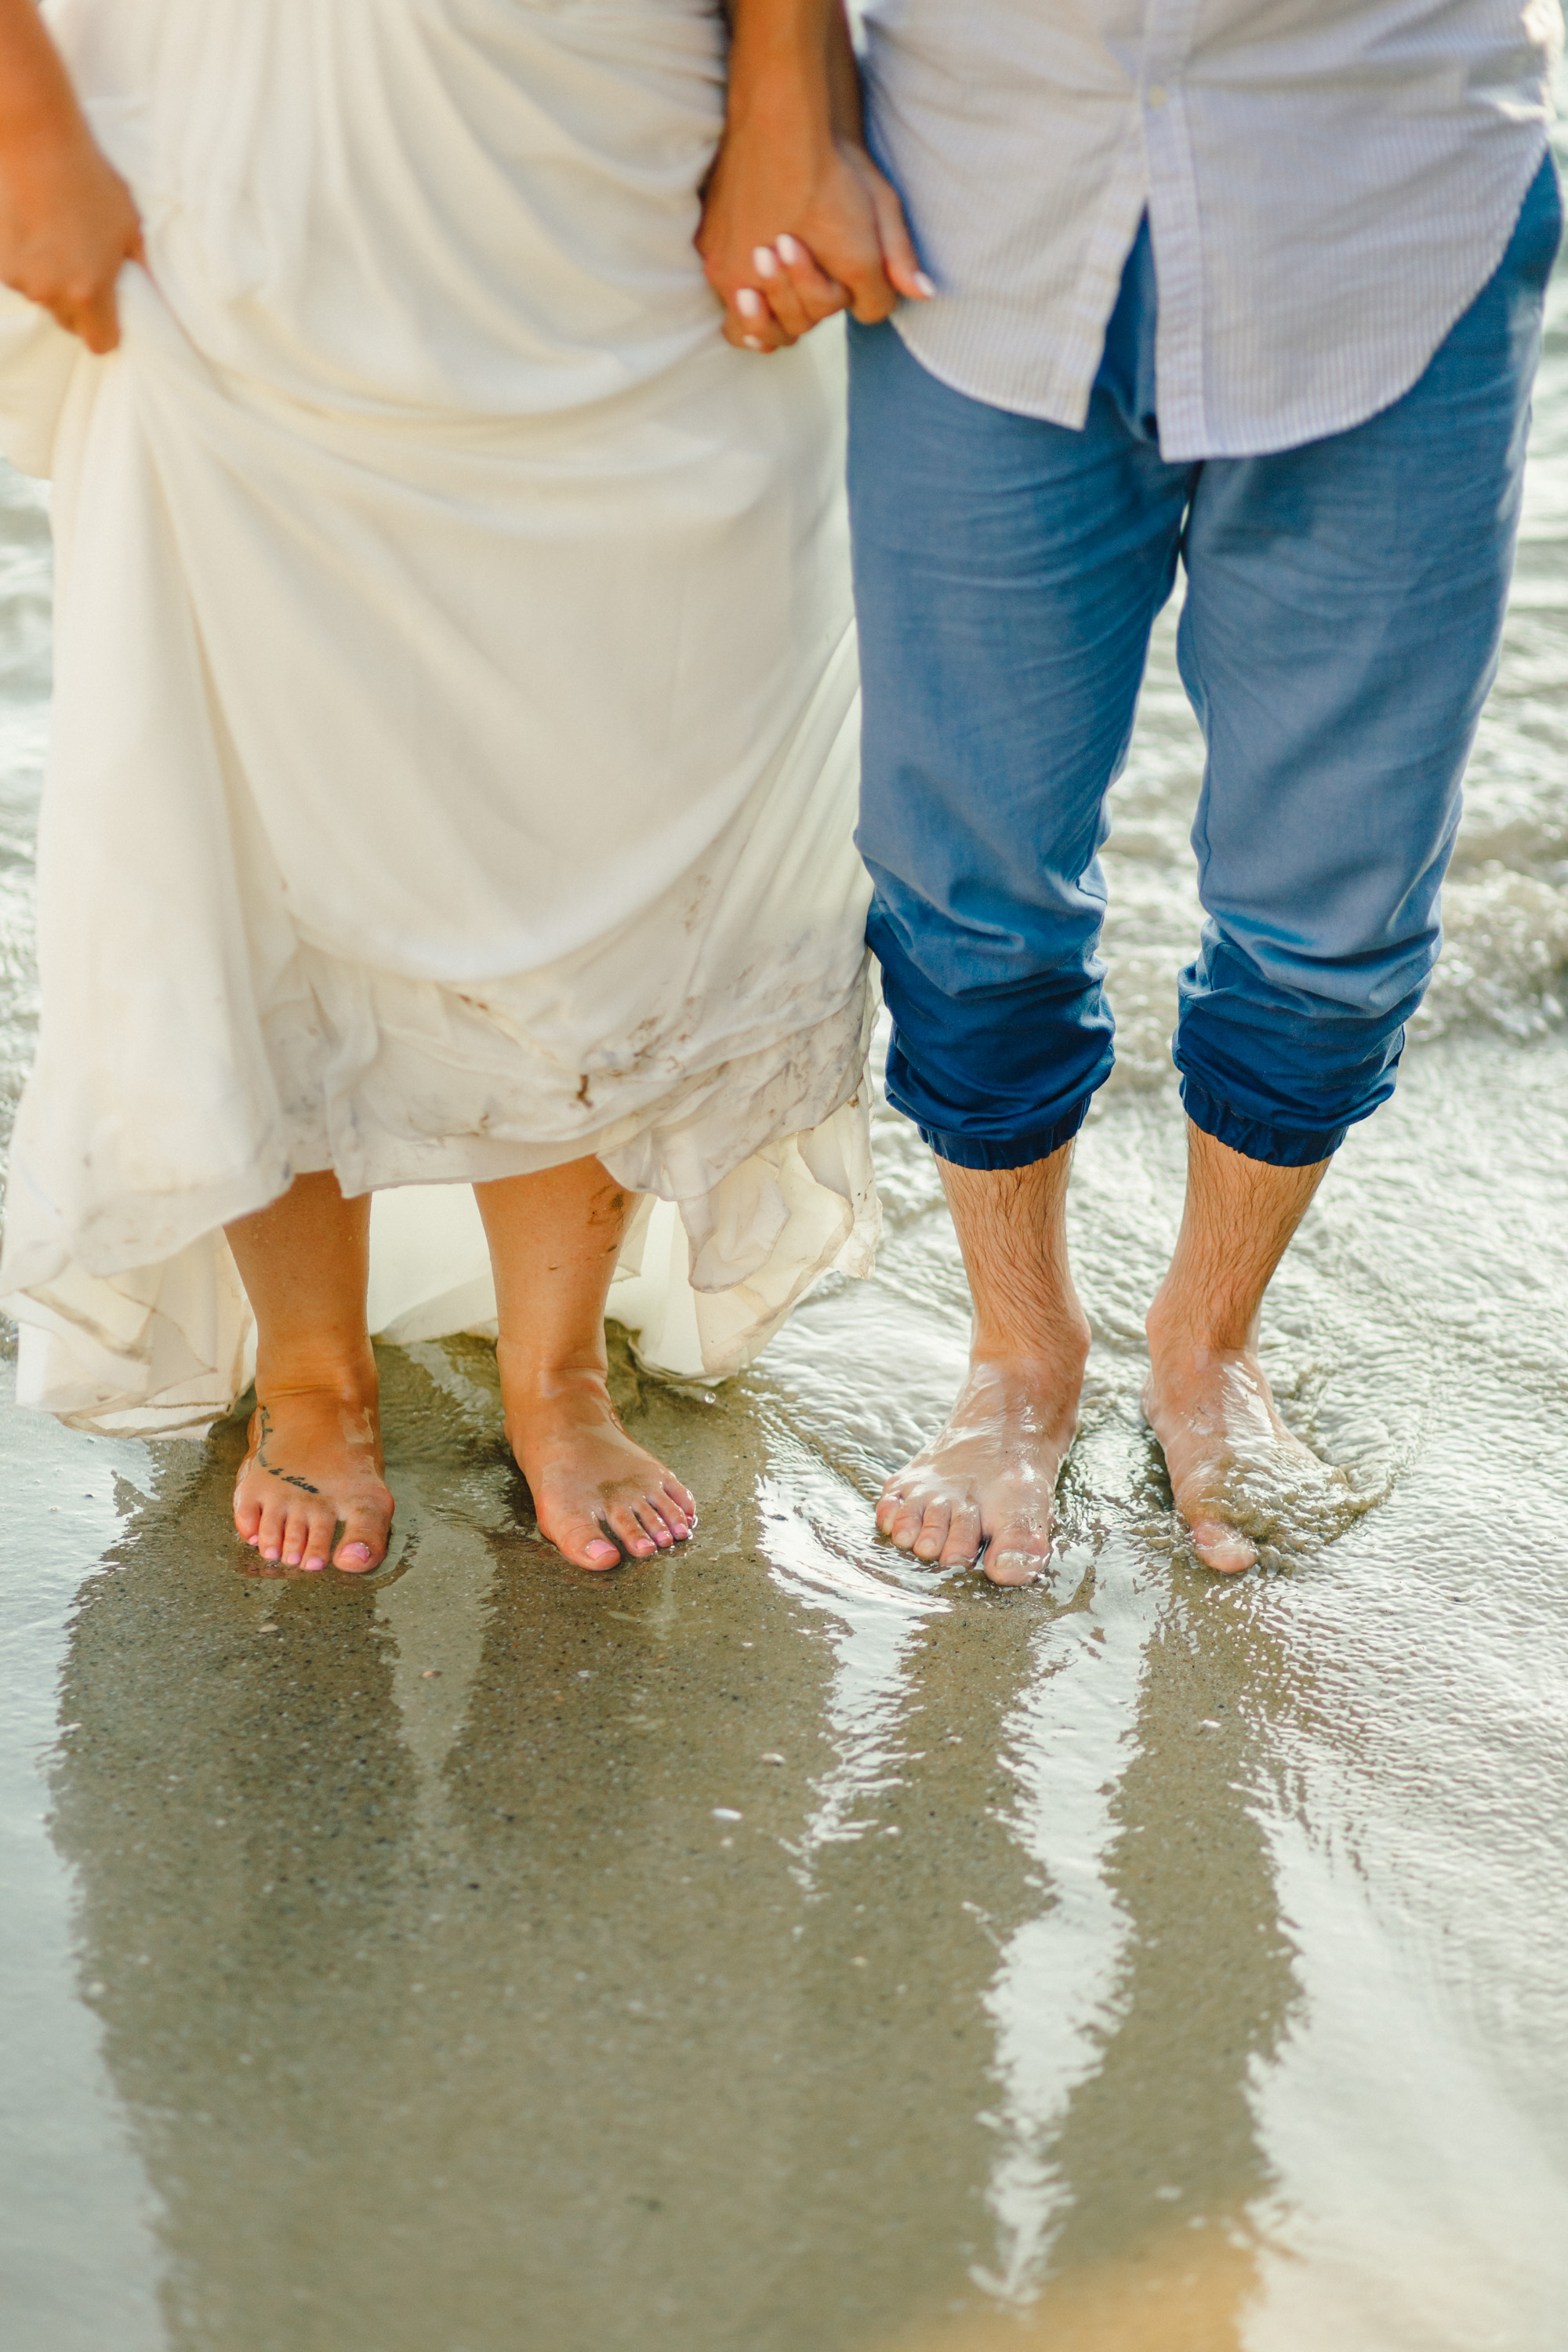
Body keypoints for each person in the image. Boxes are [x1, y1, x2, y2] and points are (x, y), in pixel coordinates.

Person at [0, 0, 920, 1576]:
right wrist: (20, 114)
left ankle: (553, 1366)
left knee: (603, 754)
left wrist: (788, 89)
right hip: (221, 116)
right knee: (251, 764)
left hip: (591, 121)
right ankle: (310, 1370)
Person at [701, 0, 1563, 1579]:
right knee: (965, 881)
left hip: (1392, 187)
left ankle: (1208, 1344)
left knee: (1335, 911)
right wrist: (786, 109)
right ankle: (1019, 1353)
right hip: (977, 186)